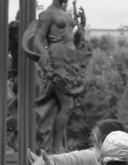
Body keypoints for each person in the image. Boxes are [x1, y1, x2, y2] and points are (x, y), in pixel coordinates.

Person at [25, 0, 88, 153]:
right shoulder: (48, 14)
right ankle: (56, 146)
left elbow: (73, 40)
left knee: (61, 106)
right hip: (57, 60)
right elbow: (39, 39)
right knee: (67, 105)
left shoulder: (65, 14)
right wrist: (44, 54)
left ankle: (55, 144)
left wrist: (80, 29)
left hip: (70, 62)